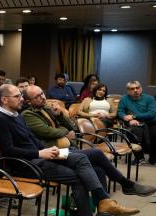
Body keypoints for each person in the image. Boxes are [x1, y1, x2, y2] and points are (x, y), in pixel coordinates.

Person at [0, 84, 137, 216]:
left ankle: (98, 214)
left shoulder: (16, 115)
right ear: (4, 100)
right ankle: (102, 207)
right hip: (25, 165)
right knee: (80, 170)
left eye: (21, 95)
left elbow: (32, 140)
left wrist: (50, 150)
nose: (21, 99)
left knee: (94, 160)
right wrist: (39, 153)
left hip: (40, 156)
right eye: (17, 96)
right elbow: (8, 151)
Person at [22, 85, 154, 207]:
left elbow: (72, 127)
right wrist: (66, 133)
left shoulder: (47, 109)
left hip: (68, 148)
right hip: (53, 152)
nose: (43, 97)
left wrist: (60, 115)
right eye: (37, 97)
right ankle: (126, 185)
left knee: (99, 169)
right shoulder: (28, 115)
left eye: (42, 94)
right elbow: (48, 132)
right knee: (96, 153)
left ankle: (103, 211)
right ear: (28, 102)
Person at [117, 80, 156, 164]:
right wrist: (126, 118)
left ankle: (153, 157)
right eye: (132, 89)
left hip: (150, 122)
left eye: (137, 88)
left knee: (154, 133)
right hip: (134, 122)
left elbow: (151, 114)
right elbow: (120, 112)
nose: (135, 90)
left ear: (141, 89)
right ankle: (139, 157)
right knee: (132, 132)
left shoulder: (149, 98)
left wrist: (134, 116)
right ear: (128, 91)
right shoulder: (124, 99)